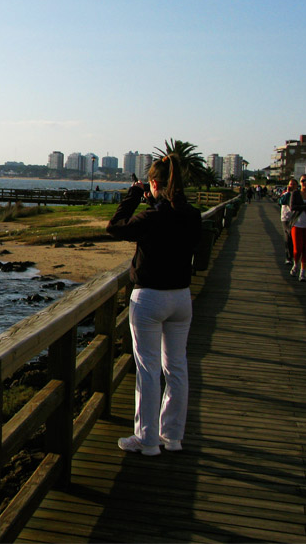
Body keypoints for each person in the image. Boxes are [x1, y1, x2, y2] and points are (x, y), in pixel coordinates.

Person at [106, 154, 202, 456]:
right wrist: (154, 201)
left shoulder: (151, 217)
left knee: (148, 370)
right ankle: (172, 437)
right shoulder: (192, 215)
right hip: (181, 297)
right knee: (176, 368)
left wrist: (134, 197)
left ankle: (147, 441)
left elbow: (116, 227)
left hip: (149, 298)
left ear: (155, 183)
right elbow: (173, 222)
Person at [278, 179, 299, 265]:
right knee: (288, 236)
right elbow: (281, 201)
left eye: (294, 184)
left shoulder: (298, 195)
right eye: (290, 184)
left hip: (296, 218)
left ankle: (295, 256)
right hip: (286, 218)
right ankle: (289, 257)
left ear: (297, 186)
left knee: (295, 237)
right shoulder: (285, 194)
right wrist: (288, 192)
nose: (292, 186)